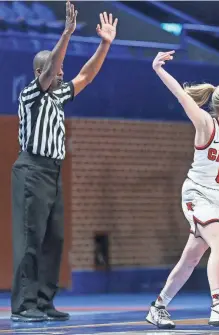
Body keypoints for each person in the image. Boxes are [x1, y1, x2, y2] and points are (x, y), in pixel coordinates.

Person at [11, 0, 118, 322]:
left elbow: (86, 75)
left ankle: (44, 301)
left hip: (53, 172)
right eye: (56, 70)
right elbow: (49, 71)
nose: (61, 73)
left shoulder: (58, 96)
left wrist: (104, 44)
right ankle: (24, 305)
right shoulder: (31, 94)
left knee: (53, 239)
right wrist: (68, 33)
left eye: (60, 71)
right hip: (32, 168)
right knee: (31, 238)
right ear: (41, 72)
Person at [145, 50, 219, 329]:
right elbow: (182, 97)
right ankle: (218, 305)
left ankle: (158, 307)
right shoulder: (206, 124)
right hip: (197, 194)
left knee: (191, 258)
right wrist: (159, 69)